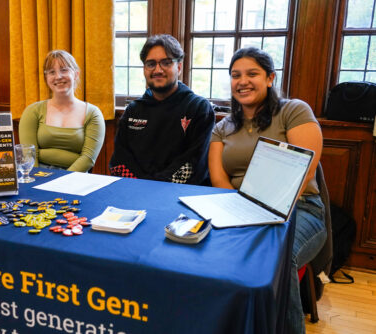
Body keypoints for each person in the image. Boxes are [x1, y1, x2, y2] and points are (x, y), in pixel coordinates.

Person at [208, 47, 327, 334]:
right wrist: (240, 212)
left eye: (252, 74)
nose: (242, 81)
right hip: (239, 209)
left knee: (275, 257)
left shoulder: (293, 110)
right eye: (236, 75)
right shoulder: (223, 126)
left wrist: (260, 213)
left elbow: (305, 171)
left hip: (300, 210)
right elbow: (219, 180)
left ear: (270, 78)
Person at [109, 34, 214, 185]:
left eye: (166, 63)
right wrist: (140, 187)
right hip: (135, 191)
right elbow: (119, 161)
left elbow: (193, 165)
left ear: (178, 67)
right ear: (144, 69)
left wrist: (154, 188)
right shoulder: (133, 110)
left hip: (179, 195)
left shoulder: (199, 109)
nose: (158, 70)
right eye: (151, 64)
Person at [19, 50, 105, 172]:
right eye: (52, 72)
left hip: (76, 178)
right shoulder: (32, 111)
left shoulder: (93, 113)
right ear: (46, 78)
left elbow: (88, 159)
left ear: (76, 74)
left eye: (64, 70)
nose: (58, 77)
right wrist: (40, 179)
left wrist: (62, 181)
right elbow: (29, 155)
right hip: (38, 176)